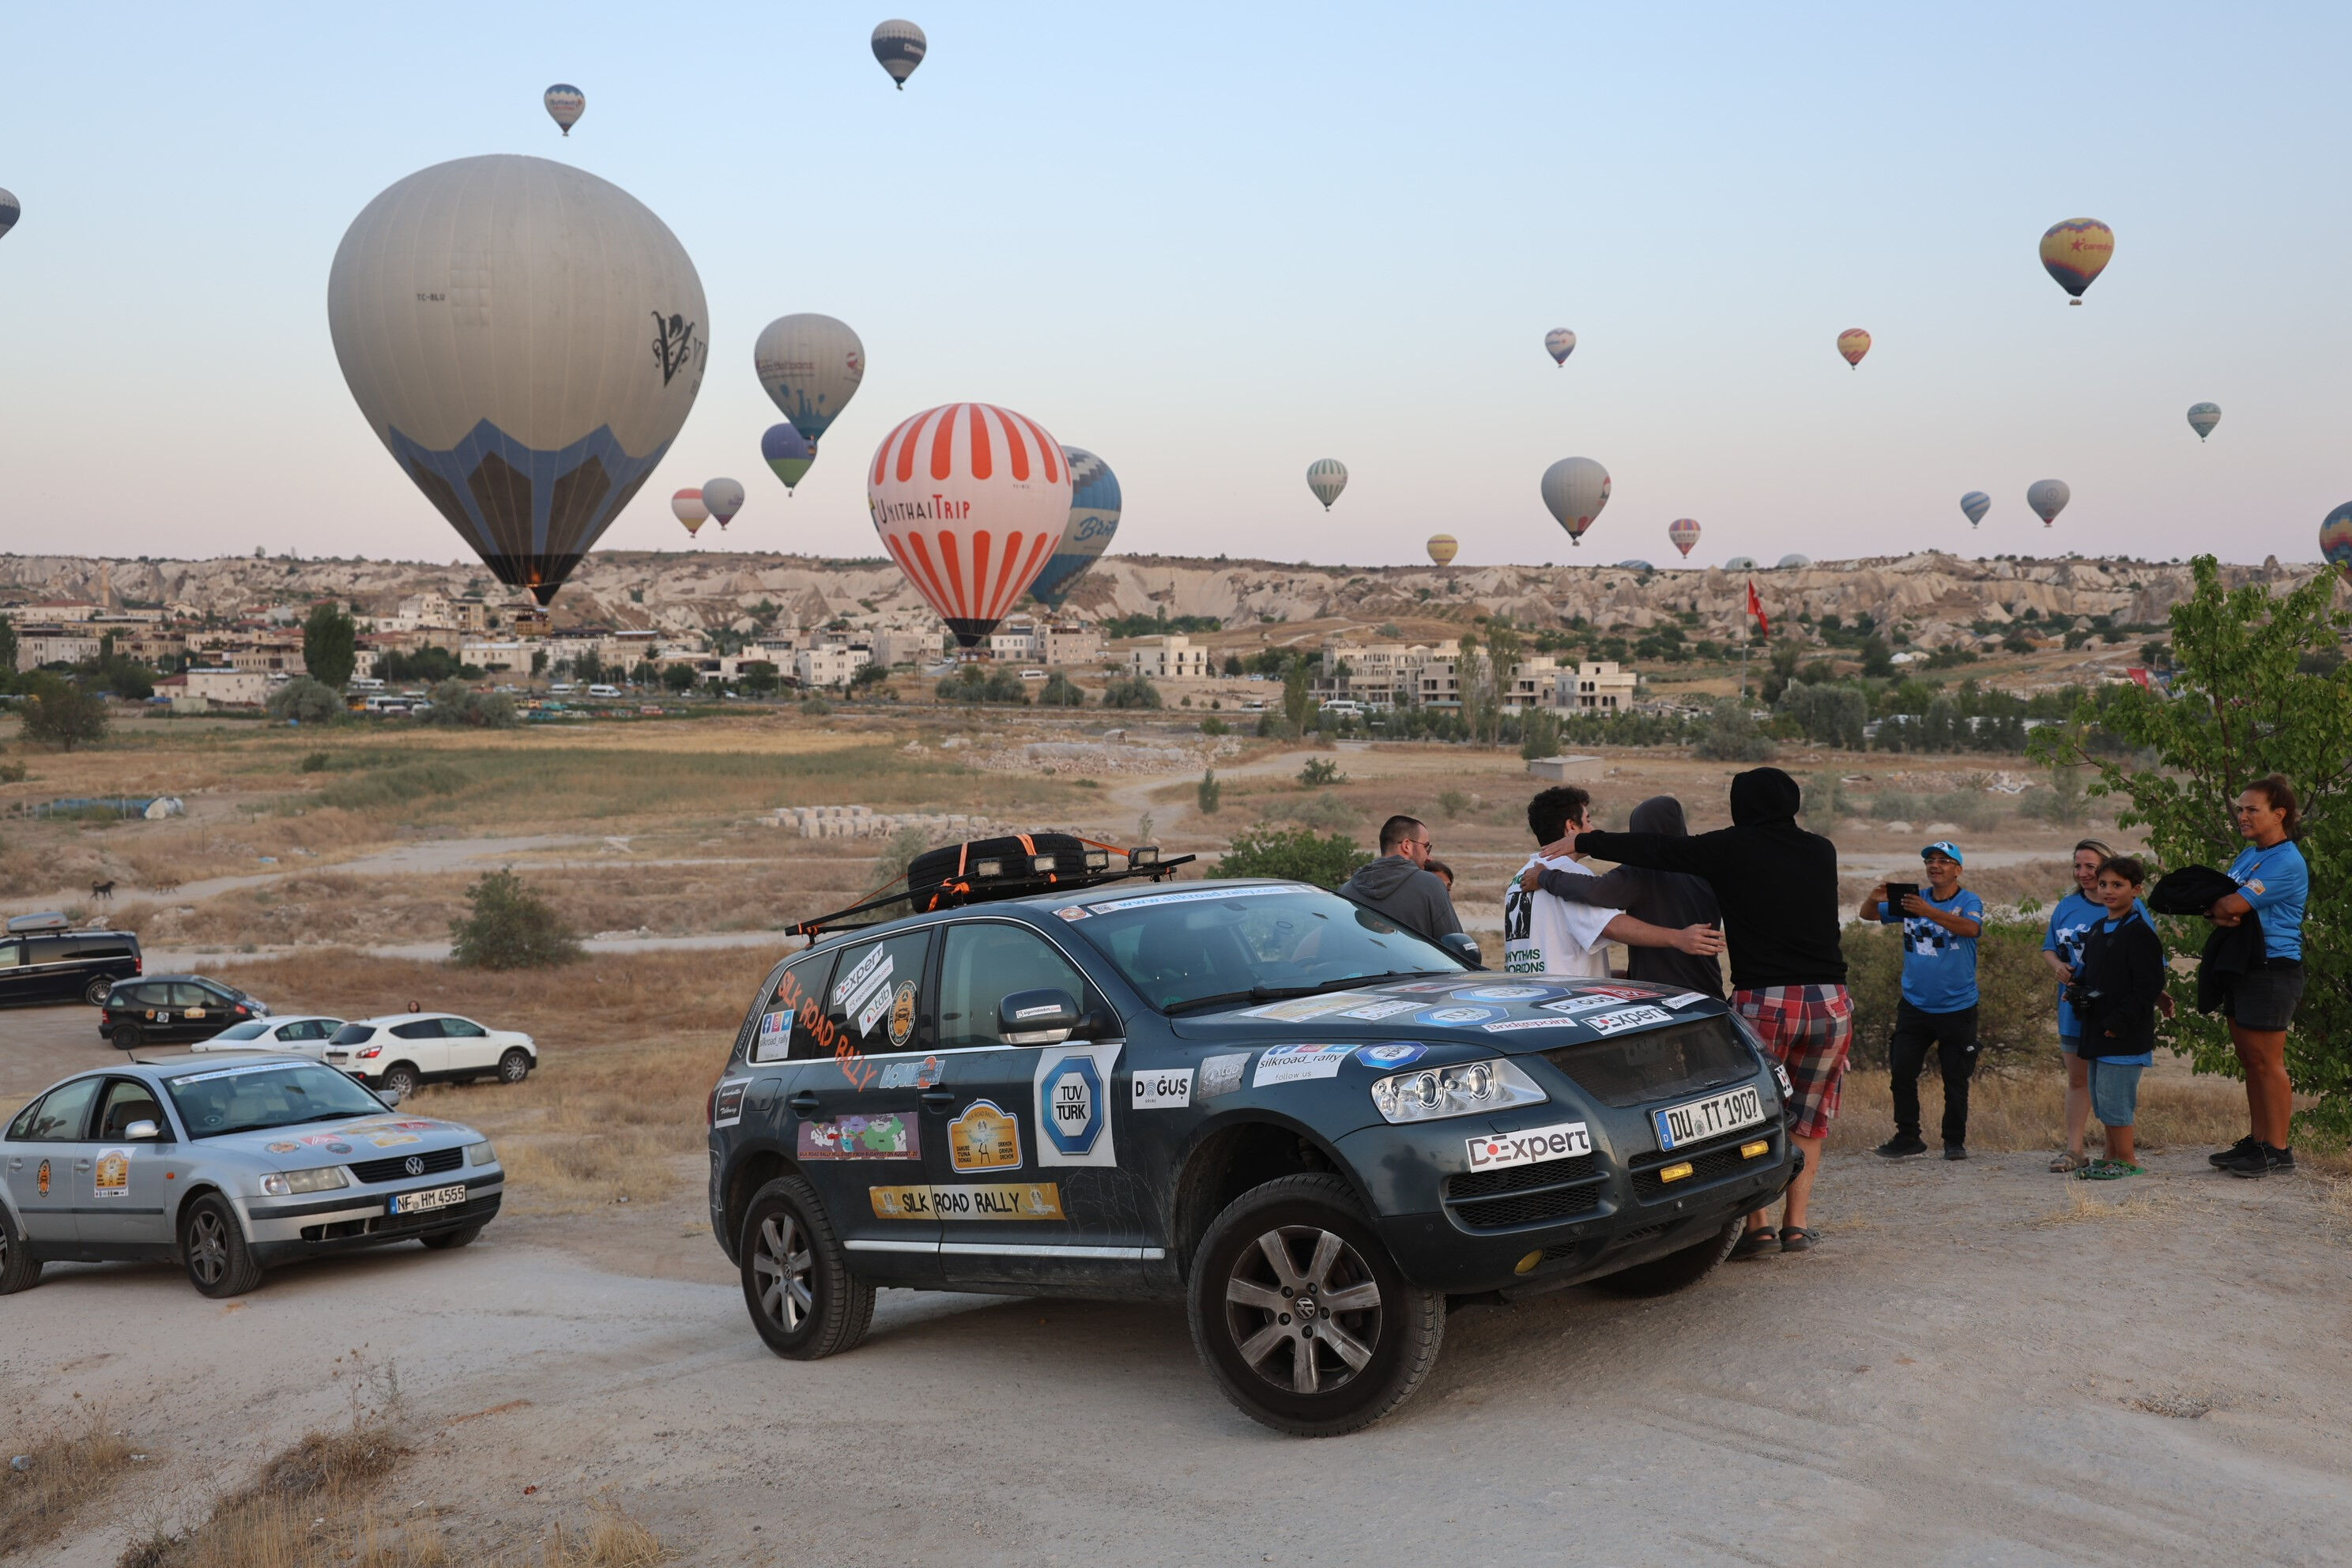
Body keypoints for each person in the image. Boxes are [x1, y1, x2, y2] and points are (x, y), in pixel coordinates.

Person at [1566, 767, 1849, 1258]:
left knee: (1754, 1114)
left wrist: (1585, 842)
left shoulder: (1734, 848)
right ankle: (1797, 1227)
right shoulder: (1821, 850)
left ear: (1744, 806)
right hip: (1831, 1002)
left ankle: (1758, 1228)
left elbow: (1659, 850)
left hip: (1767, 1001)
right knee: (1810, 1119)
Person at [1514, 794, 1725, 998]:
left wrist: (1545, 878)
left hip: (1664, 999)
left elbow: (1596, 892)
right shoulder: (1706, 874)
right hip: (1708, 993)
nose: (1592, 828)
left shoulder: (1643, 870)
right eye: (1588, 821)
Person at [2206, 775, 2309, 1178]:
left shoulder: (2286, 861)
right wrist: (2222, 909)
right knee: (2250, 1060)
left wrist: (2226, 908)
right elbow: (2216, 906)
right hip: (2243, 964)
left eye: (2252, 809)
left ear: (2278, 814)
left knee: (2268, 1061)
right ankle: (2258, 1141)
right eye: (2240, 809)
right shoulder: (2249, 855)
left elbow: (2230, 903)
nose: (2242, 816)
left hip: (2272, 967)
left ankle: (2278, 1151)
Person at [1862, 842, 1985, 1160]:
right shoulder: (1913, 900)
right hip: (1915, 1005)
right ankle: (1908, 1137)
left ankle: (1954, 1142)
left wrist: (1927, 911)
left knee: (1955, 1078)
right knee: (1902, 1072)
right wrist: (1874, 898)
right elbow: (1868, 915)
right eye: (1930, 860)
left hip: (1957, 1007)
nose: (1935, 865)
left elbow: (1971, 928)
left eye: (1944, 861)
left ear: (1958, 869)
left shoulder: (1968, 901)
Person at [2071, 855, 2165, 1181]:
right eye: (2103, 884)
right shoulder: (2098, 929)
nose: (2108, 891)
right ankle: (2110, 1155)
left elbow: (2149, 985)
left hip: (2123, 1033)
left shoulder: (2139, 933)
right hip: (2097, 1029)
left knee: (2116, 1099)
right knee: (2102, 1099)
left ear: (2136, 889)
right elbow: (2095, 976)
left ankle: (2127, 1160)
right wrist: (2077, 988)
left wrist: (2120, 1021)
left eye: (2117, 885)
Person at [2042, 839, 2118, 1172]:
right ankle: (2074, 1151)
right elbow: (2049, 948)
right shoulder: (2066, 906)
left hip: (2113, 1008)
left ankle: (2116, 1152)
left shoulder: (2126, 904)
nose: (2083, 872)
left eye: (2091, 866)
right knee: (2078, 1080)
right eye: (2078, 866)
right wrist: (2057, 967)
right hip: (2073, 1006)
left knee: (2112, 1080)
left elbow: (2150, 959)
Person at [1337, 814, 1462, 943]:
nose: (1429, 857)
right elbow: (1458, 949)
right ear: (1407, 845)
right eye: (1426, 847)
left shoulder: (1345, 890)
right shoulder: (1431, 885)